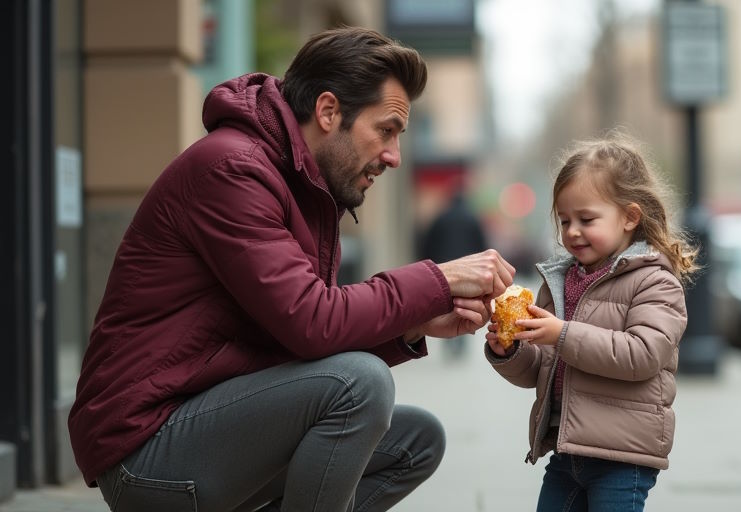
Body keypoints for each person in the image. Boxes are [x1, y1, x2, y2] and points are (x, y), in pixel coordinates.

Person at [69, 26, 516, 512]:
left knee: (417, 441)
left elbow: (297, 336)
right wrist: (439, 280)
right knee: (360, 384)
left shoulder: (303, 187)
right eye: (385, 130)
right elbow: (312, 324)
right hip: (147, 449)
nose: (393, 155)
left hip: (205, 422)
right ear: (327, 112)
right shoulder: (232, 170)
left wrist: (412, 324)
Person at [484, 135, 698, 511]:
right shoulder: (561, 280)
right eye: (565, 220)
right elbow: (542, 368)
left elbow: (642, 355)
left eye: (587, 219)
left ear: (630, 217)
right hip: (566, 451)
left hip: (623, 456)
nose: (572, 232)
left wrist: (561, 334)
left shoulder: (655, 281)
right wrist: (512, 351)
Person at [420, 191, 489, 357]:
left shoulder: (441, 218)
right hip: (469, 270)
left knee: (447, 305)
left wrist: (428, 265)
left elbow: (429, 242)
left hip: (445, 269)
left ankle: (449, 338)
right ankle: (461, 337)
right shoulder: (472, 219)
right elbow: (482, 244)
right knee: (465, 304)